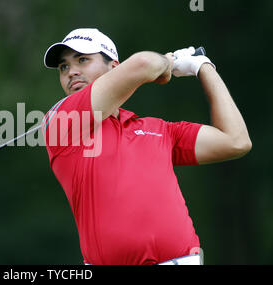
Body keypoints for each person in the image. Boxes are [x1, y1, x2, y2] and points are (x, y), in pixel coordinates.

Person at [41, 28, 252, 265]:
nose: (72, 72)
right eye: (63, 67)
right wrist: (167, 63)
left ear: (114, 68)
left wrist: (202, 67)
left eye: (82, 60)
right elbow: (143, 63)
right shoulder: (62, 123)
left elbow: (236, 141)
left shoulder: (159, 130)